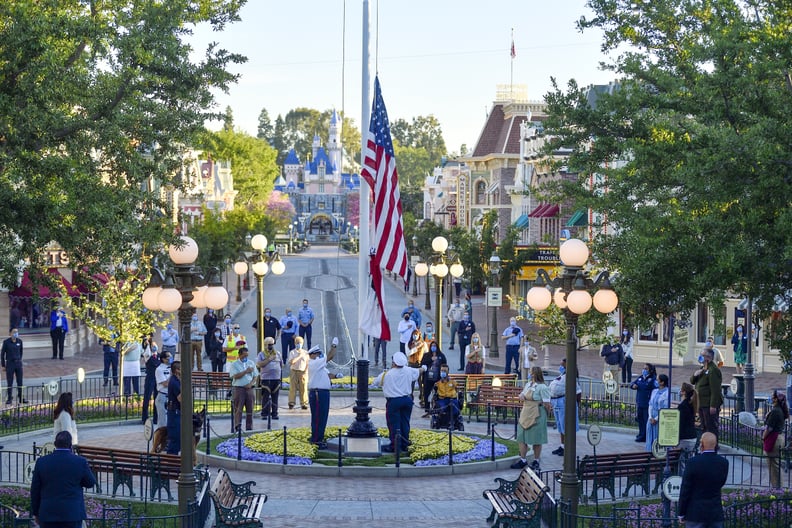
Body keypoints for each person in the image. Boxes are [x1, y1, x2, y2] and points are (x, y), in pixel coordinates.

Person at [30, 431, 96, 528]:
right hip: (72, 514)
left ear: (55, 444)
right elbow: (90, 483)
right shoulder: (80, 461)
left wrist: (36, 512)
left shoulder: (42, 462)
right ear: (70, 445)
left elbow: (35, 490)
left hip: (48, 514)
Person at [372, 352, 426, 452]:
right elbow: (419, 371)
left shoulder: (388, 374)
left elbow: (375, 382)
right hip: (407, 400)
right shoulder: (408, 370)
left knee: (394, 424)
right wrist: (424, 368)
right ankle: (405, 444)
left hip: (394, 402)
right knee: (405, 423)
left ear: (394, 363)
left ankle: (395, 446)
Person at [678, 432, 729, 527]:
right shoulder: (723, 463)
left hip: (695, 514)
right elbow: (721, 483)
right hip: (715, 513)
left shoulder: (692, 463)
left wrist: (681, 512)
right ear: (715, 445)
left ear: (701, 444)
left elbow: (685, 490)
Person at [511, 366, 551, 472]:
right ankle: (523, 460)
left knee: (536, 438)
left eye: (531, 372)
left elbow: (547, 403)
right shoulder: (528, 384)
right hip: (525, 412)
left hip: (537, 414)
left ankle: (536, 460)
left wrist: (544, 414)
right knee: (522, 437)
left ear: (535, 374)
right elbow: (522, 394)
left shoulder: (542, 387)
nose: (529, 374)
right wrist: (521, 397)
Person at [307, 339, 337, 448]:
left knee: (323, 416)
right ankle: (316, 440)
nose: (320, 356)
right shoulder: (313, 363)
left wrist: (336, 376)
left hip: (322, 393)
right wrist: (334, 346)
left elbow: (328, 375)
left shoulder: (319, 366)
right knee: (318, 417)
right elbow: (330, 356)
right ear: (313, 355)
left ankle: (319, 437)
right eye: (318, 354)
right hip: (318, 393)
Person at [548, 358, 581, 456]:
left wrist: (575, 405)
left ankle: (568, 447)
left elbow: (578, 392)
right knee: (560, 425)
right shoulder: (562, 376)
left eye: (562, 365)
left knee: (565, 425)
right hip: (556, 402)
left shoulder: (571, 377)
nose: (560, 367)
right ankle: (562, 445)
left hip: (563, 402)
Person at [690, 347, 723, 437]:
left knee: (711, 427)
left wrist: (713, 405)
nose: (700, 357)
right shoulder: (702, 368)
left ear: (708, 358)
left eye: (702, 355)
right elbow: (692, 381)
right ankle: (705, 446)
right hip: (701, 403)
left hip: (708, 404)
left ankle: (712, 446)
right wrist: (695, 374)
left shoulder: (713, 370)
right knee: (703, 426)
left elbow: (715, 389)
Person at [762, 390, 788, 488]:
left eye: (772, 397)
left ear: (776, 399)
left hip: (774, 439)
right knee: (775, 465)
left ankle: (777, 489)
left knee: (774, 466)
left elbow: (769, 428)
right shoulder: (779, 410)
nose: (771, 398)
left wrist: (763, 437)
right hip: (779, 438)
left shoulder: (775, 411)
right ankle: (777, 488)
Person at [229, 347, 258, 431]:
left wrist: (251, 384)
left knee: (250, 409)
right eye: (244, 355)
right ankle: (238, 425)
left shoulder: (251, 363)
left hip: (249, 389)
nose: (245, 357)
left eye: (247, 355)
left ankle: (249, 426)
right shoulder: (234, 364)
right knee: (238, 408)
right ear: (240, 355)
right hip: (239, 389)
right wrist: (246, 371)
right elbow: (235, 376)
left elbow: (256, 376)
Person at [257, 337, 282, 420]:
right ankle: (264, 413)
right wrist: (269, 359)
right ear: (265, 345)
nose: (271, 346)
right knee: (266, 397)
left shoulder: (277, 353)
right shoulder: (261, 354)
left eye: (272, 344)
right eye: (269, 344)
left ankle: (274, 413)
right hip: (266, 379)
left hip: (276, 379)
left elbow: (281, 364)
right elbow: (259, 364)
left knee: (275, 397)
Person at [630, 363, 657, 442]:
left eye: (646, 369)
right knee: (640, 420)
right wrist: (633, 386)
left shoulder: (652, 379)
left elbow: (655, 389)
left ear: (650, 370)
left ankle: (645, 436)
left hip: (647, 404)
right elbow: (632, 383)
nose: (644, 370)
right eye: (643, 368)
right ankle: (641, 434)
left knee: (646, 421)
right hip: (640, 402)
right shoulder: (641, 378)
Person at [677, 382, 699, 472]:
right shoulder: (692, 404)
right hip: (692, 437)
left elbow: (680, 424)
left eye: (681, 390)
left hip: (684, 438)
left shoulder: (683, 406)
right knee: (689, 461)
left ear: (684, 392)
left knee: (681, 463)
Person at [421, 341, 447, 416]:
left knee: (437, 394)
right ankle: (427, 409)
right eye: (432, 346)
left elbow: (445, 365)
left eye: (435, 346)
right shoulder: (426, 355)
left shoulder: (441, 356)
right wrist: (431, 359)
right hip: (428, 378)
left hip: (437, 379)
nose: (433, 347)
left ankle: (436, 408)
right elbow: (423, 363)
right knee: (426, 394)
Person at [646, 373, 670, 452]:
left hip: (659, 418)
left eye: (657, 380)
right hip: (651, 416)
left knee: (658, 436)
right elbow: (650, 404)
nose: (656, 381)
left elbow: (665, 408)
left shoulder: (667, 393)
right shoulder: (654, 391)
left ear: (662, 382)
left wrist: (656, 419)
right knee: (650, 436)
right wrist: (650, 417)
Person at [1, 328, 25, 405]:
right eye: (14, 332)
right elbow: (2, 354)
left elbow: (21, 352)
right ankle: (9, 398)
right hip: (10, 364)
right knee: (10, 382)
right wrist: (3, 365)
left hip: (18, 364)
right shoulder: (6, 342)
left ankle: (21, 397)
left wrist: (19, 359)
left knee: (20, 381)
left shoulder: (19, 341)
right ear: (10, 333)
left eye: (17, 332)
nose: (16, 333)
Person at [141, 335, 159, 423]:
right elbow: (146, 349)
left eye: (155, 346)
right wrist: (147, 343)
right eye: (153, 347)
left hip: (157, 379)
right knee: (147, 397)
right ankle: (144, 418)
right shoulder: (148, 356)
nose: (154, 348)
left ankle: (156, 418)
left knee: (157, 398)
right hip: (150, 378)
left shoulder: (159, 356)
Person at [288, 336, 309, 409]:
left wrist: (305, 371)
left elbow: (307, 363)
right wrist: (299, 356)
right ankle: (291, 402)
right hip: (294, 371)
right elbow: (292, 362)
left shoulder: (306, 352)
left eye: (300, 343)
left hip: (302, 371)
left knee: (303, 387)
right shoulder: (292, 352)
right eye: (297, 343)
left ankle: (304, 403)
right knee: (293, 387)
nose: (299, 344)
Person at [165, 361, 182, 454]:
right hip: (174, 412)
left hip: (176, 411)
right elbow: (180, 398)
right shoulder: (174, 382)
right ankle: (171, 460)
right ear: (177, 370)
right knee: (176, 437)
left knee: (178, 438)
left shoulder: (176, 380)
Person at [407, 329, 427, 407]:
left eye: (417, 334)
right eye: (414, 334)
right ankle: (410, 399)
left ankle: (422, 399)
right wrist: (416, 347)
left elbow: (426, 353)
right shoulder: (408, 344)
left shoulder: (423, 344)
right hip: (411, 365)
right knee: (411, 383)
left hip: (419, 365)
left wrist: (424, 364)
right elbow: (408, 353)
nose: (415, 336)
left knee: (421, 383)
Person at [154, 350, 172, 431]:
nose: (170, 358)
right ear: (163, 359)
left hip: (170, 396)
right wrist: (172, 375)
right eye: (168, 357)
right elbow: (165, 384)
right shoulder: (159, 369)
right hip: (162, 395)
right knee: (162, 420)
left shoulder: (171, 368)